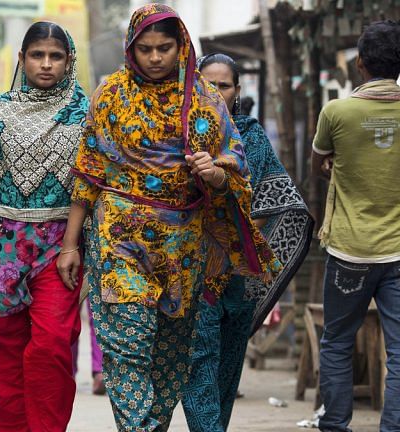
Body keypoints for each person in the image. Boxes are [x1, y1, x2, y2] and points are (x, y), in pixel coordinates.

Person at [56, 4, 280, 430]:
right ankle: (138, 427)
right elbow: (88, 171)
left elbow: (237, 166)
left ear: (182, 47)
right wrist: (70, 244)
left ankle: (150, 425)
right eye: (145, 49)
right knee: (129, 343)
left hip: (184, 246)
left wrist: (214, 173)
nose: (155, 57)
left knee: (172, 354)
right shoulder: (110, 96)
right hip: (120, 237)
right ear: (131, 48)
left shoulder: (205, 99)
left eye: (164, 48)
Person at [0, 21, 88, 432]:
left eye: (55, 56)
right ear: (22, 59)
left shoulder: (87, 115)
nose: (46, 64)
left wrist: (80, 244)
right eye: (37, 55)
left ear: (68, 61)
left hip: (61, 246)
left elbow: (94, 181)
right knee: (3, 357)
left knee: (51, 346)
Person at [181, 53, 314, 431]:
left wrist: (236, 241)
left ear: (237, 91)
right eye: (207, 84)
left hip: (239, 273)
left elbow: (278, 201)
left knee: (228, 364)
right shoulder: (177, 134)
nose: (215, 92)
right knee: (199, 357)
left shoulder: (251, 136)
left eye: (223, 85)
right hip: (193, 270)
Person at [311, 20, 400, 432]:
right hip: (398, 252)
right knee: (399, 353)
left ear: (360, 64)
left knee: (337, 342)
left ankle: (334, 426)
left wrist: (338, 167)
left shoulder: (337, 112)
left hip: (348, 250)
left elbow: (319, 164)